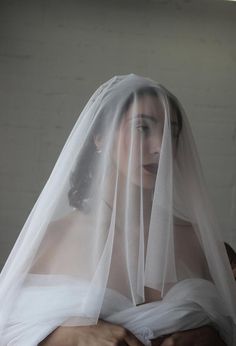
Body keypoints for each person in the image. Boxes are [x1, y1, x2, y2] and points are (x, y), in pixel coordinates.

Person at [0, 74, 235, 346]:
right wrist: (67, 336)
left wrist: (212, 337)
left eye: (171, 132)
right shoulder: (50, 240)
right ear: (100, 139)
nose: (160, 147)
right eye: (141, 128)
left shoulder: (204, 244)